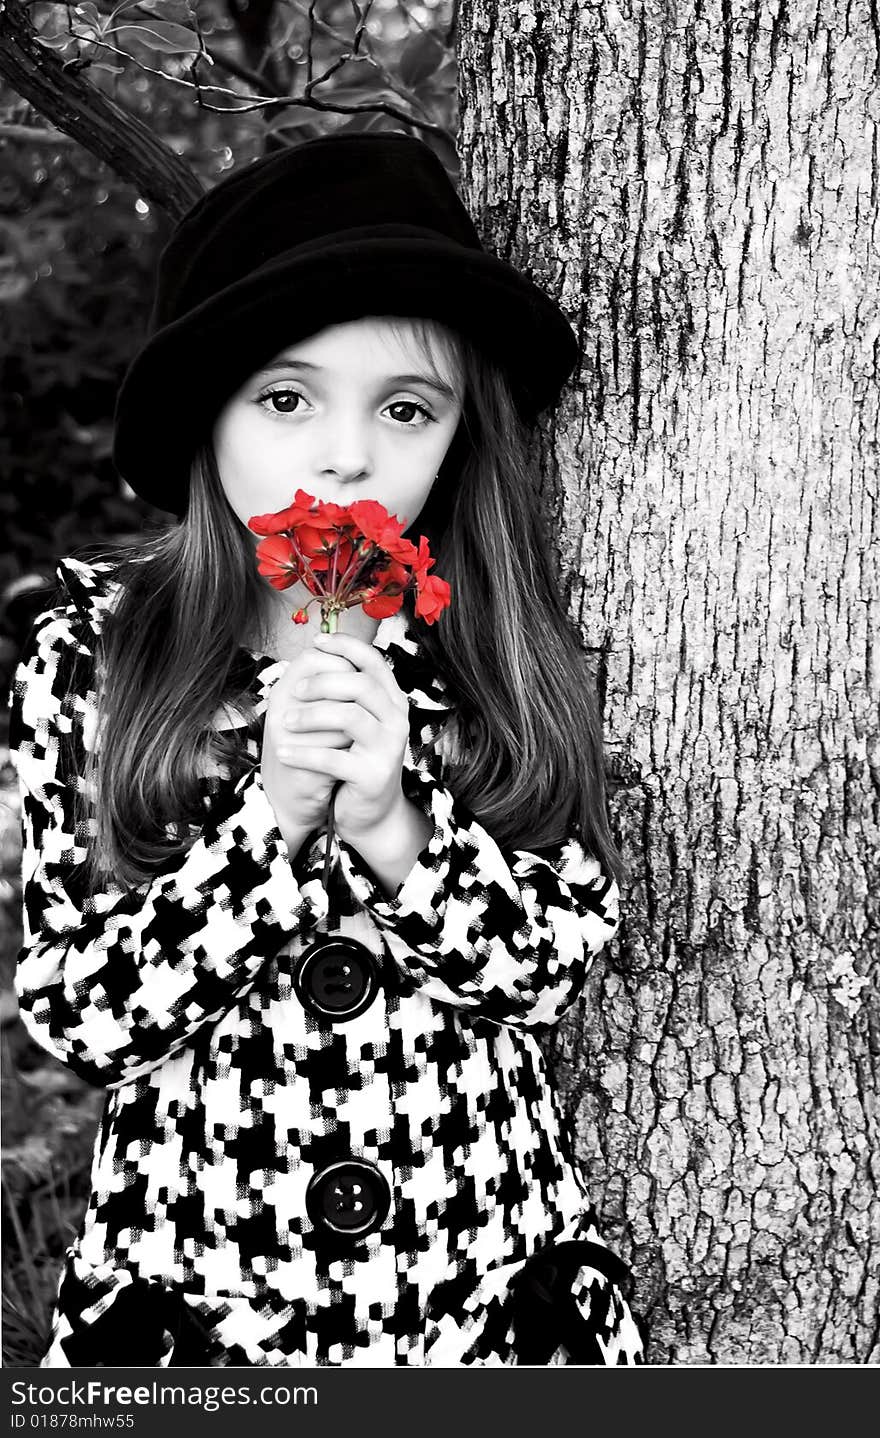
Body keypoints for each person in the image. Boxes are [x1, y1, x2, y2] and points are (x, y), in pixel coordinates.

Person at [8, 132, 646, 1367]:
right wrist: (272, 824)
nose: (346, 454)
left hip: (478, 1297)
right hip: (196, 1308)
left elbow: (553, 967)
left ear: (458, 437)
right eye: (287, 398)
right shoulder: (102, 651)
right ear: (211, 416)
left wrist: (395, 826)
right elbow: (81, 1011)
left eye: (405, 409)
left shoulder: (492, 650)